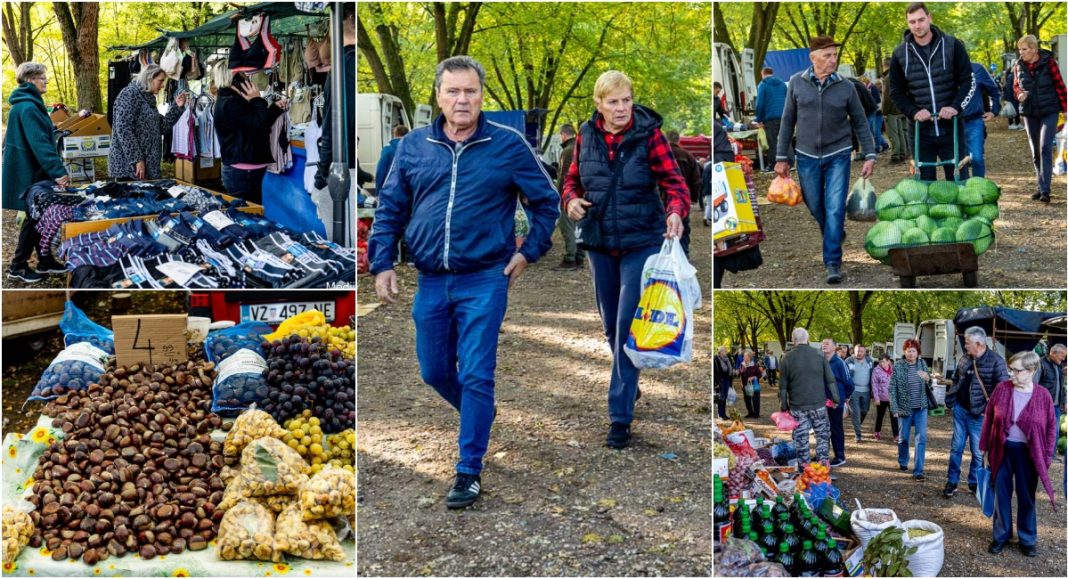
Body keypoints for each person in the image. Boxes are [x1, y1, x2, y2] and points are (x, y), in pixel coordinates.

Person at [367, 56, 559, 509]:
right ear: (438, 96)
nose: (462, 100)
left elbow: (546, 202)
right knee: (434, 371)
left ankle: (468, 469)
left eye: (470, 91)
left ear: (481, 96)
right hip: (431, 279)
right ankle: (480, 410)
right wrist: (382, 263)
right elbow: (390, 208)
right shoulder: (413, 146)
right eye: (453, 91)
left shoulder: (507, 144)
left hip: (485, 278)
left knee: (476, 373)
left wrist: (528, 252)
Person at [561, 70, 689, 450]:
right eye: (613, 101)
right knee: (610, 327)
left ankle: (620, 417)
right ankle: (629, 383)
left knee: (626, 324)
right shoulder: (585, 136)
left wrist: (676, 212)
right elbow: (571, 181)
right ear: (599, 104)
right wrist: (570, 200)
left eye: (626, 100)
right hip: (599, 241)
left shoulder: (649, 136)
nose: (621, 108)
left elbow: (675, 184)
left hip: (641, 241)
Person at [775, 35, 876, 285]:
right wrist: (781, 156)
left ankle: (832, 261)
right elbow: (787, 121)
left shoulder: (845, 86)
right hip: (806, 155)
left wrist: (870, 153)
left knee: (834, 207)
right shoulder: (796, 83)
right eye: (827, 55)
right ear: (813, 58)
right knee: (815, 205)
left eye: (834, 55)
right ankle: (835, 232)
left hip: (838, 153)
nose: (833, 60)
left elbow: (860, 121)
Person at [979, 351, 1058, 557]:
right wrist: (984, 446)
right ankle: (1001, 536)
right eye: (1010, 369)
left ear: (1031, 371)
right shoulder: (1001, 389)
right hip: (1002, 450)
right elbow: (989, 417)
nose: (1011, 374)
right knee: (1001, 495)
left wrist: (1046, 456)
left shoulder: (1043, 395)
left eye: (1016, 370)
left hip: (1028, 455)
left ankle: (1027, 538)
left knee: (1026, 496)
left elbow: (1052, 428)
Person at [888, 2, 975, 182]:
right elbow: (896, 92)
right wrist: (914, 112)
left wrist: (955, 107)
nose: (917, 26)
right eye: (912, 22)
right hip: (920, 132)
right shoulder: (900, 54)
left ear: (930, 18)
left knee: (959, 182)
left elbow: (969, 81)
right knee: (925, 185)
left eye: (921, 20)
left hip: (951, 129)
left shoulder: (952, 45)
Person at [2, 62, 70, 282]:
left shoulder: (25, 104)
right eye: (42, 77)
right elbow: (40, 144)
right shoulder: (29, 107)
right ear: (30, 80)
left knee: (40, 216)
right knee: (33, 218)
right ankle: (18, 266)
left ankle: (44, 260)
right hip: (31, 172)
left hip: (32, 170)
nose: (46, 80)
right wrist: (58, 172)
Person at [943, 326, 1009, 497]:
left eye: (967, 343)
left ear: (979, 343)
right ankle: (952, 482)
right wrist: (952, 398)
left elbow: (1003, 392)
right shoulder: (965, 358)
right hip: (960, 410)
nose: (965, 346)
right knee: (956, 448)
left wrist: (987, 411)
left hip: (979, 415)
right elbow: (956, 378)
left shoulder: (997, 362)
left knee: (977, 452)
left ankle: (974, 483)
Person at [213, 68, 288, 204]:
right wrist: (257, 99)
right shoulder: (231, 103)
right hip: (243, 171)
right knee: (248, 213)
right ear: (235, 80)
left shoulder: (233, 101)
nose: (248, 80)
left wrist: (274, 109)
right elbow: (259, 124)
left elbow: (256, 125)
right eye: (244, 77)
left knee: (250, 211)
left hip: (246, 169)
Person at [1012, 34, 1067, 203]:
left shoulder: (1049, 63)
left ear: (1034, 49)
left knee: (1044, 147)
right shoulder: (1018, 65)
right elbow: (1015, 86)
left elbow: (1060, 85)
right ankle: (1040, 184)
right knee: (1035, 151)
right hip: (1029, 112)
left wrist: (1065, 109)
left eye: (1024, 49)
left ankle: (1045, 190)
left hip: (1049, 110)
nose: (1021, 53)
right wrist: (1019, 94)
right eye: (1020, 49)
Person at [109, 64, 186, 181]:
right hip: (130, 167)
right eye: (160, 81)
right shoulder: (129, 94)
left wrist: (177, 107)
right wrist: (137, 159)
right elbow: (124, 129)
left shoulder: (149, 98)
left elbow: (162, 127)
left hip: (149, 165)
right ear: (150, 78)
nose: (163, 85)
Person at [779, 328, 839, 466]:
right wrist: (836, 399)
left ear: (793, 340)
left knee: (801, 439)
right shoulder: (819, 354)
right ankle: (823, 467)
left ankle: (804, 469)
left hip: (797, 406)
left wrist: (784, 406)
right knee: (822, 435)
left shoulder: (786, 357)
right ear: (808, 338)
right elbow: (830, 379)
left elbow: (782, 386)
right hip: (818, 404)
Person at [314, 2, 356, 192]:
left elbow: (333, 124)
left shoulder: (342, 67)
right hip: (346, 167)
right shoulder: (346, 63)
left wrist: (321, 177)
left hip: (341, 173)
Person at [889, 338, 933, 481]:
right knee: (903, 438)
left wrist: (928, 378)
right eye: (909, 351)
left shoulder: (922, 363)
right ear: (905, 352)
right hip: (904, 408)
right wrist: (894, 408)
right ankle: (903, 460)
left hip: (921, 407)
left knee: (921, 438)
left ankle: (918, 470)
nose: (911, 354)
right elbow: (892, 388)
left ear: (918, 352)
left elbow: (929, 382)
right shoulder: (898, 366)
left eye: (914, 351)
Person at [552, 123, 586, 271]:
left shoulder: (567, 151)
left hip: (569, 196)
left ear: (563, 134)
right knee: (579, 227)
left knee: (567, 227)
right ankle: (580, 256)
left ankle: (570, 258)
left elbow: (564, 177)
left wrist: (558, 195)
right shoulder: (581, 147)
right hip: (582, 194)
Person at [961, 62, 1002, 178]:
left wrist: (994, 111)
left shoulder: (977, 69)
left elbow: (994, 90)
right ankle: (962, 186)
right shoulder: (944, 70)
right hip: (952, 123)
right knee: (959, 161)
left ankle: (978, 185)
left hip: (974, 121)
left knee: (977, 158)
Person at [666, 129, 700, 257]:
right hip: (682, 198)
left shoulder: (659, 155)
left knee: (663, 228)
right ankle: (683, 256)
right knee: (682, 228)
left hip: (662, 199)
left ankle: (666, 258)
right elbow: (696, 179)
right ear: (678, 140)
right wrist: (694, 197)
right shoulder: (687, 156)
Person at [823, 338, 854, 467]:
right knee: (822, 429)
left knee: (835, 429)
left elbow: (849, 383)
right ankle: (822, 455)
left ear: (834, 347)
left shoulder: (840, 362)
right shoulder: (820, 361)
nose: (824, 345)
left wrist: (844, 397)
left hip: (836, 403)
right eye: (823, 343)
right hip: (822, 402)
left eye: (827, 343)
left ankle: (840, 456)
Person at [754, 67, 787, 171]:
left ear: (763, 74)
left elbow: (759, 104)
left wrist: (759, 119)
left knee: (772, 142)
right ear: (772, 73)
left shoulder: (763, 85)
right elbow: (789, 100)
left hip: (770, 119)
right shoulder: (783, 84)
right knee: (786, 141)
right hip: (785, 117)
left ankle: (773, 165)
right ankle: (789, 163)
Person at [881, 58, 911, 164]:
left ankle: (896, 155)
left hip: (892, 110)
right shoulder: (901, 75)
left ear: (884, 65)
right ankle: (905, 152)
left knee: (894, 133)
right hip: (902, 109)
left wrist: (884, 112)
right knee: (902, 132)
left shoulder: (888, 77)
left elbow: (887, 97)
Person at [1037, 344, 1066, 446]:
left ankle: (1051, 454)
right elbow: (1034, 385)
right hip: (1043, 406)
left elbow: (1062, 386)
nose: (1063, 359)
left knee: (1054, 432)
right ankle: (1041, 453)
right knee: (1042, 431)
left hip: (1056, 407)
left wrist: (1065, 401)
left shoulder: (1059, 366)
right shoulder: (1041, 363)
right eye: (1062, 355)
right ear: (1053, 353)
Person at [846, 345, 875, 443]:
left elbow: (872, 375)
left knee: (865, 410)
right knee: (856, 413)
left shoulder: (869, 361)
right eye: (857, 351)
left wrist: (873, 390)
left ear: (865, 352)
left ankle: (857, 424)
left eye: (861, 351)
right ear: (854, 351)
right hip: (853, 390)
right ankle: (858, 434)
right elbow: (845, 376)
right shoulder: (849, 361)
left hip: (866, 390)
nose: (859, 353)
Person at [872, 354, 899, 442]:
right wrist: (876, 398)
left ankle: (896, 435)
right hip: (881, 398)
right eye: (880, 362)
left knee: (894, 416)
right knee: (880, 416)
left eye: (883, 361)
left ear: (888, 361)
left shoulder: (894, 370)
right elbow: (874, 385)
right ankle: (877, 432)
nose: (881, 363)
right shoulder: (876, 370)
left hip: (892, 398)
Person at [374, 124, 409, 192]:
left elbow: (381, 170)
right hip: (408, 188)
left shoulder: (388, 149)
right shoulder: (412, 149)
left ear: (394, 134)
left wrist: (378, 190)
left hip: (391, 188)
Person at [860, 76, 888, 153]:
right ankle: (884, 144)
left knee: (876, 131)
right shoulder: (866, 88)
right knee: (874, 131)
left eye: (863, 82)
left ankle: (877, 147)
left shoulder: (872, 88)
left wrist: (869, 99)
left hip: (877, 112)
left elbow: (878, 100)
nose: (863, 84)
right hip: (873, 112)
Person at [740, 350, 764, 419]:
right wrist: (741, 382)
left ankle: (756, 413)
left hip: (754, 385)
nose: (744, 358)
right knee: (747, 400)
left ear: (749, 357)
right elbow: (741, 374)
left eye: (745, 356)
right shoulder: (742, 364)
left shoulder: (754, 365)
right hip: (745, 385)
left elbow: (759, 375)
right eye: (744, 356)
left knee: (755, 399)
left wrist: (753, 377)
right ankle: (750, 412)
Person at [715, 346, 735, 420]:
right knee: (720, 398)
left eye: (726, 351)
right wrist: (716, 383)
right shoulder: (716, 359)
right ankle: (720, 415)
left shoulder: (727, 359)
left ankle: (723, 414)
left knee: (725, 398)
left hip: (727, 380)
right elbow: (715, 371)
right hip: (721, 381)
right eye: (725, 351)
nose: (726, 352)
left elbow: (730, 369)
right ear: (720, 352)